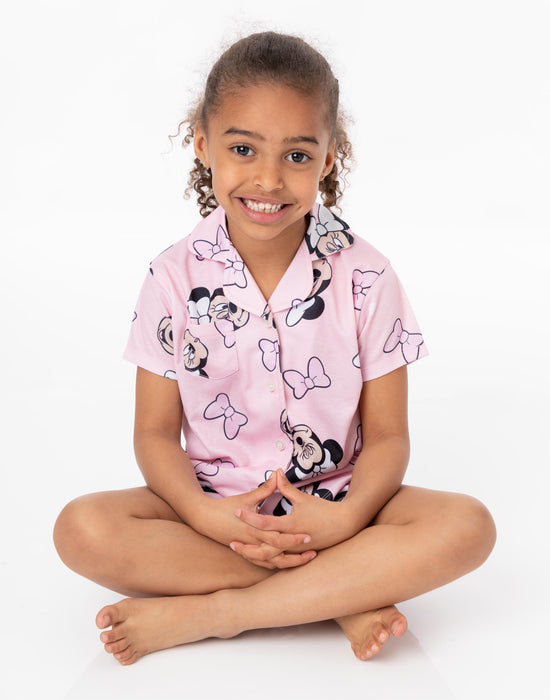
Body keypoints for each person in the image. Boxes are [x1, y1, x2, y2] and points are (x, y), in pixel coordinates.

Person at [53, 31, 496, 667]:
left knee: (469, 526)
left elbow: (389, 437)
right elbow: (153, 435)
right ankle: (341, 591)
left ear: (329, 158)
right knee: (81, 529)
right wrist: (204, 516)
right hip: (216, 510)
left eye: (297, 154)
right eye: (243, 149)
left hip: (337, 503)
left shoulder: (368, 276)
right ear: (202, 144)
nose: (268, 178)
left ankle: (218, 612)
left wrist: (346, 521)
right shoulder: (171, 278)